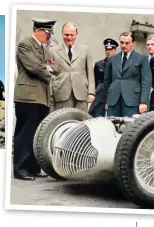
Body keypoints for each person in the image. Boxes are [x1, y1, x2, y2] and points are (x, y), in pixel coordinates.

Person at [14, 18, 59, 180]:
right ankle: (20, 169)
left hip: (42, 98)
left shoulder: (45, 49)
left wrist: (47, 68)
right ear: (38, 30)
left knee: (36, 135)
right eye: (47, 33)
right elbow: (34, 67)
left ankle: (32, 168)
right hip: (28, 97)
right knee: (25, 133)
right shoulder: (25, 44)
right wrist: (47, 70)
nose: (49, 37)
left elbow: (55, 67)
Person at [103, 31, 152, 117]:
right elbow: (107, 81)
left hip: (132, 100)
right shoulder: (112, 59)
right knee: (112, 127)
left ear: (133, 43)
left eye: (127, 43)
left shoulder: (142, 58)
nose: (123, 45)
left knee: (130, 127)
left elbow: (146, 82)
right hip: (114, 100)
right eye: (121, 43)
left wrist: (143, 102)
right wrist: (107, 100)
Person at [50, 22, 95, 112]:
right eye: (66, 35)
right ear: (62, 34)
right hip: (61, 92)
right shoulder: (53, 50)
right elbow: (50, 74)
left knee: (80, 121)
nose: (69, 37)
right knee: (63, 120)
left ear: (77, 34)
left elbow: (90, 72)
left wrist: (91, 92)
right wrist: (50, 94)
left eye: (72, 35)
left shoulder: (85, 50)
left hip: (81, 92)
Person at [88, 38, 118, 117]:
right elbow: (95, 81)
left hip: (114, 94)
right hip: (100, 96)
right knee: (95, 114)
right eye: (106, 49)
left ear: (115, 50)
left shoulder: (119, 64)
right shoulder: (99, 64)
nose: (108, 52)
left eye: (111, 49)